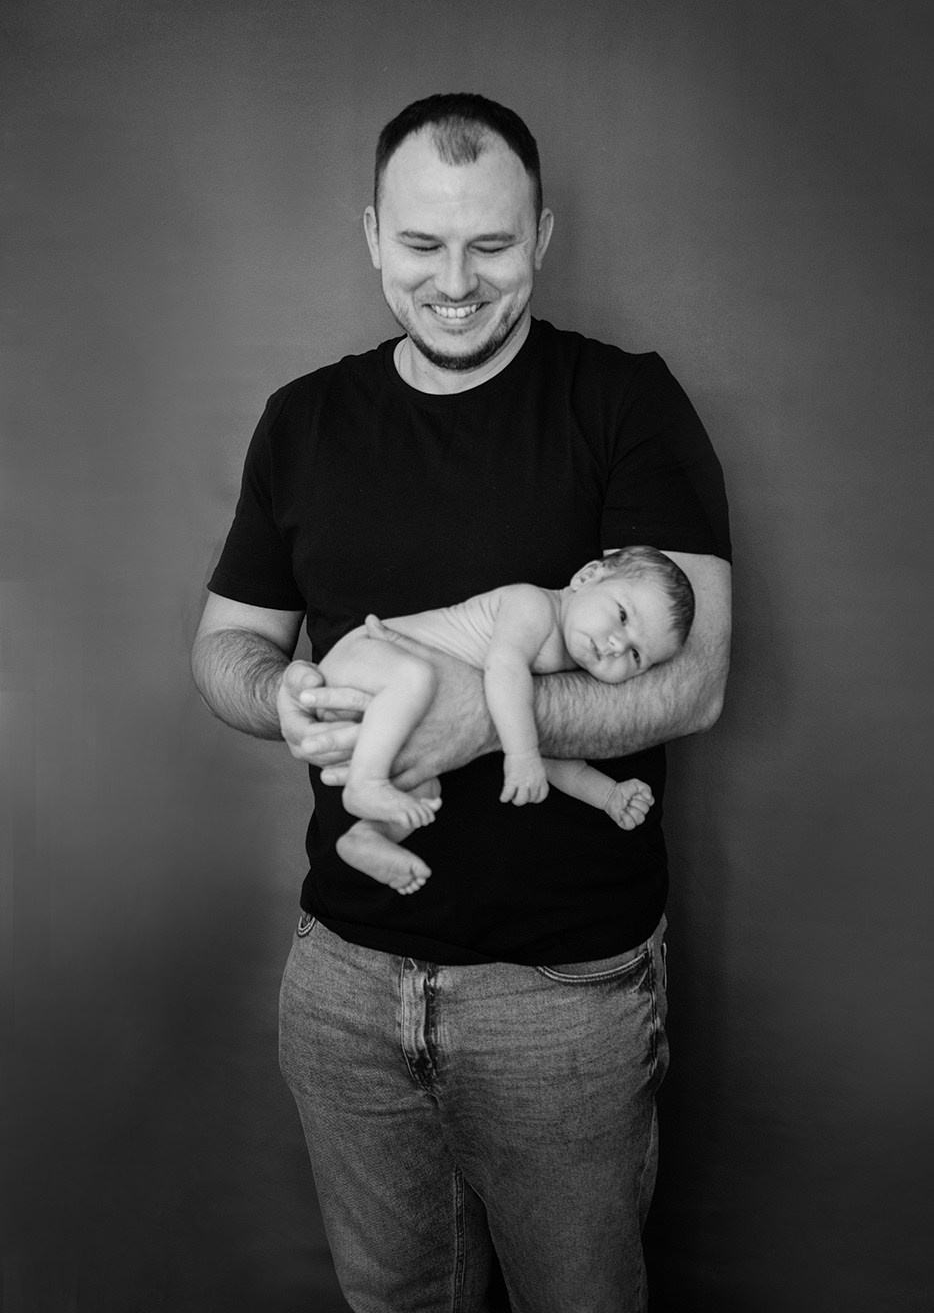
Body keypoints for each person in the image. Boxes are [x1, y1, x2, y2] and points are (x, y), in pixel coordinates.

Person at [191, 93, 732, 1312]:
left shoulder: (625, 403)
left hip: (561, 998)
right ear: (371, 234)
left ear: (542, 235)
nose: (454, 281)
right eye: (422, 245)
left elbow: (692, 678)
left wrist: (473, 720)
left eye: (490, 245)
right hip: (339, 973)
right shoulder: (303, 420)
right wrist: (284, 694)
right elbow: (228, 643)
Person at [322, 545, 694, 894]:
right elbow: (503, 670)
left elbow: (546, 753)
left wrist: (608, 795)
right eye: (623, 615)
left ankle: (368, 837)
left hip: (380, 714)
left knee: (425, 790)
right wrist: (521, 755)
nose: (616, 645)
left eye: (635, 656)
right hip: (368, 654)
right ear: (587, 577)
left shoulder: (559, 665)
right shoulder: (534, 606)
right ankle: (365, 784)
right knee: (414, 678)